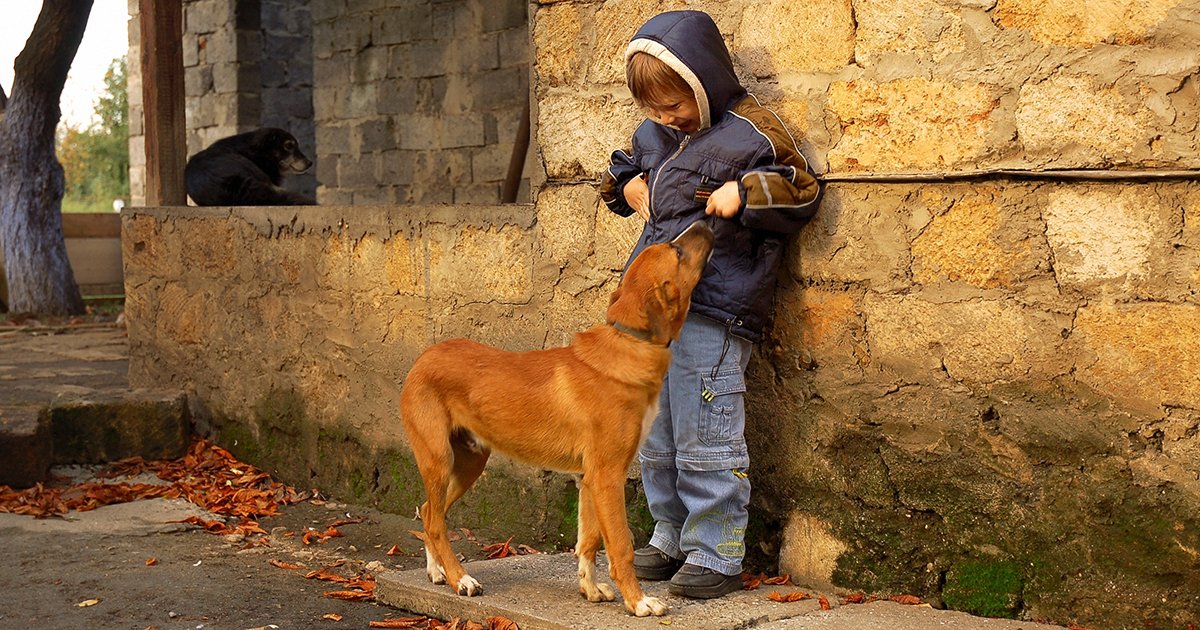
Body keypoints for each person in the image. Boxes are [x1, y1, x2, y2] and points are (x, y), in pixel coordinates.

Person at [599, 10, 823, 599]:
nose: (666, 118)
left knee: (707, 427)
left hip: (716, 305)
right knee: (657, 432)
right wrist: (626, 186)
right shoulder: (654, 137)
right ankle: (671, 534)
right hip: (653, 315)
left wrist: (744, 191)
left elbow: (801, 187)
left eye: (676, 104)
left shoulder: (752, 132)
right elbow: (621, 166)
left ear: (706, 81)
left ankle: (716, 548)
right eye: (655, 108)